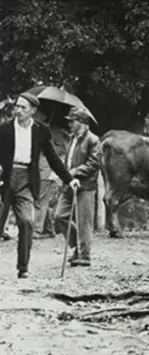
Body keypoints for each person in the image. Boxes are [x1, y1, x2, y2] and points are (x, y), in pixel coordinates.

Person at [0, 93, 77, 278]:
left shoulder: (41, 131)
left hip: (27, 180)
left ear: (33, 111)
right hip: (5, 179)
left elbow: (52, 158)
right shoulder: (4, 129)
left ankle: (23, 268)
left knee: (26, 222)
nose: (18, 111)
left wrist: (69, 179)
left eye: (23, 108)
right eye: (17, 107)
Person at [53, 107, 101, 267]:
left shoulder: (93, 140)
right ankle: (77, 247)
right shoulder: (72, 139)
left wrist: (74, 172)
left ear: (82, 122)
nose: (69, 124)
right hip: (69, 183)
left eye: (72, 121)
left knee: (84, 221)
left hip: (85, 186)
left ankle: (84, 255)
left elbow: (94, 164)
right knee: (60, 216)